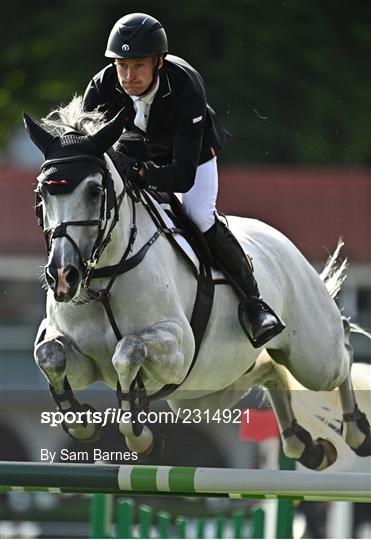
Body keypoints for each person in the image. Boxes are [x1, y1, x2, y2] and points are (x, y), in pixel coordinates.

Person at [83, 12, 284, 347]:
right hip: (132, 155)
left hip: (189, 156)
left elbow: (182, 175)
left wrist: (145, 174)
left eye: (138, 66)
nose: (128, 76)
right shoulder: (101, 88)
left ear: (158, 62)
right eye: (122, 65)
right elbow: (87, 146)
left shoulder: (186, 88)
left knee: (198, 215)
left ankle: (254, 302)